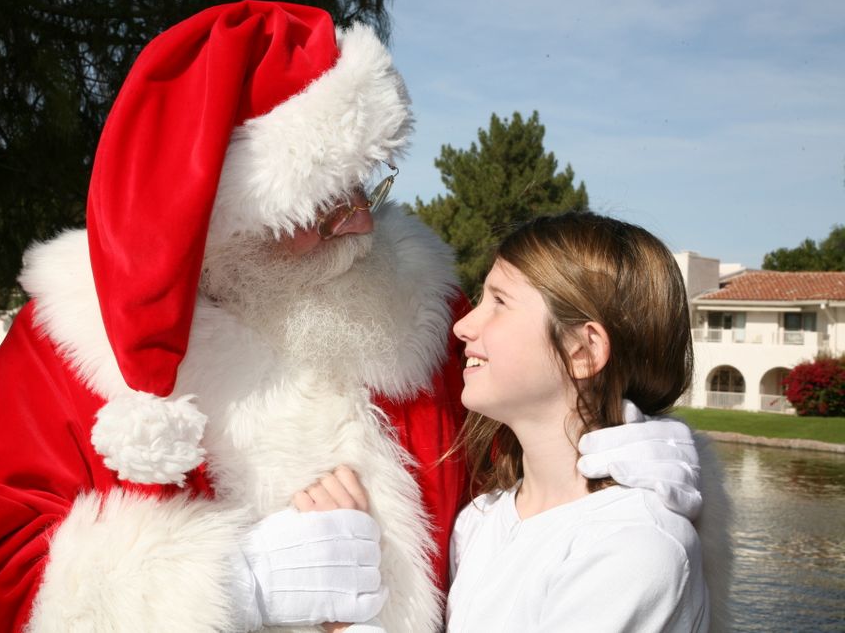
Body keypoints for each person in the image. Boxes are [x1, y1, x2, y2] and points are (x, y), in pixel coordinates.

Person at [0, 2, 703, 632]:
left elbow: (545, 445)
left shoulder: (420, 308)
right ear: (217, 217)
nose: (361, 225)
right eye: (324, 206)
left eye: (366, 186)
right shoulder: (69, 347)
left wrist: (643, 480)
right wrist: (230, 586)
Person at [298, 211, 712, 631]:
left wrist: (343, 618)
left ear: (583, 350)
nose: (462, 325)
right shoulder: (484, 519)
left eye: (499, 302)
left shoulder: (634, 547)